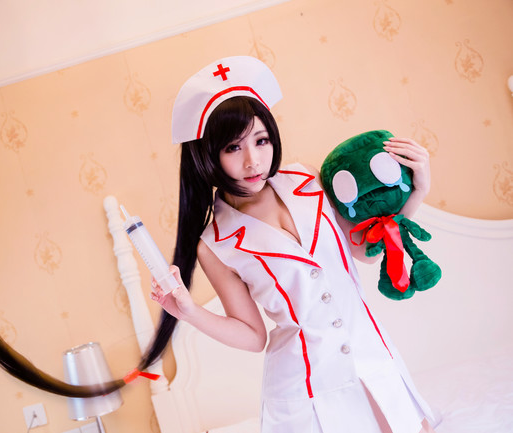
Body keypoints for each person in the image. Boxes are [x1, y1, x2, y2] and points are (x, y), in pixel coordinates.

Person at [146, 56, 437, 433]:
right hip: (305, 392)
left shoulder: (309, 179)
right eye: (233, 148)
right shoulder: (213, 244)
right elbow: (254, 337)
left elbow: (364, 252)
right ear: (208, 157)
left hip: (374, 359)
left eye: (261, 140)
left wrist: (419, 190)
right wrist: (188, 312)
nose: (253, 161)